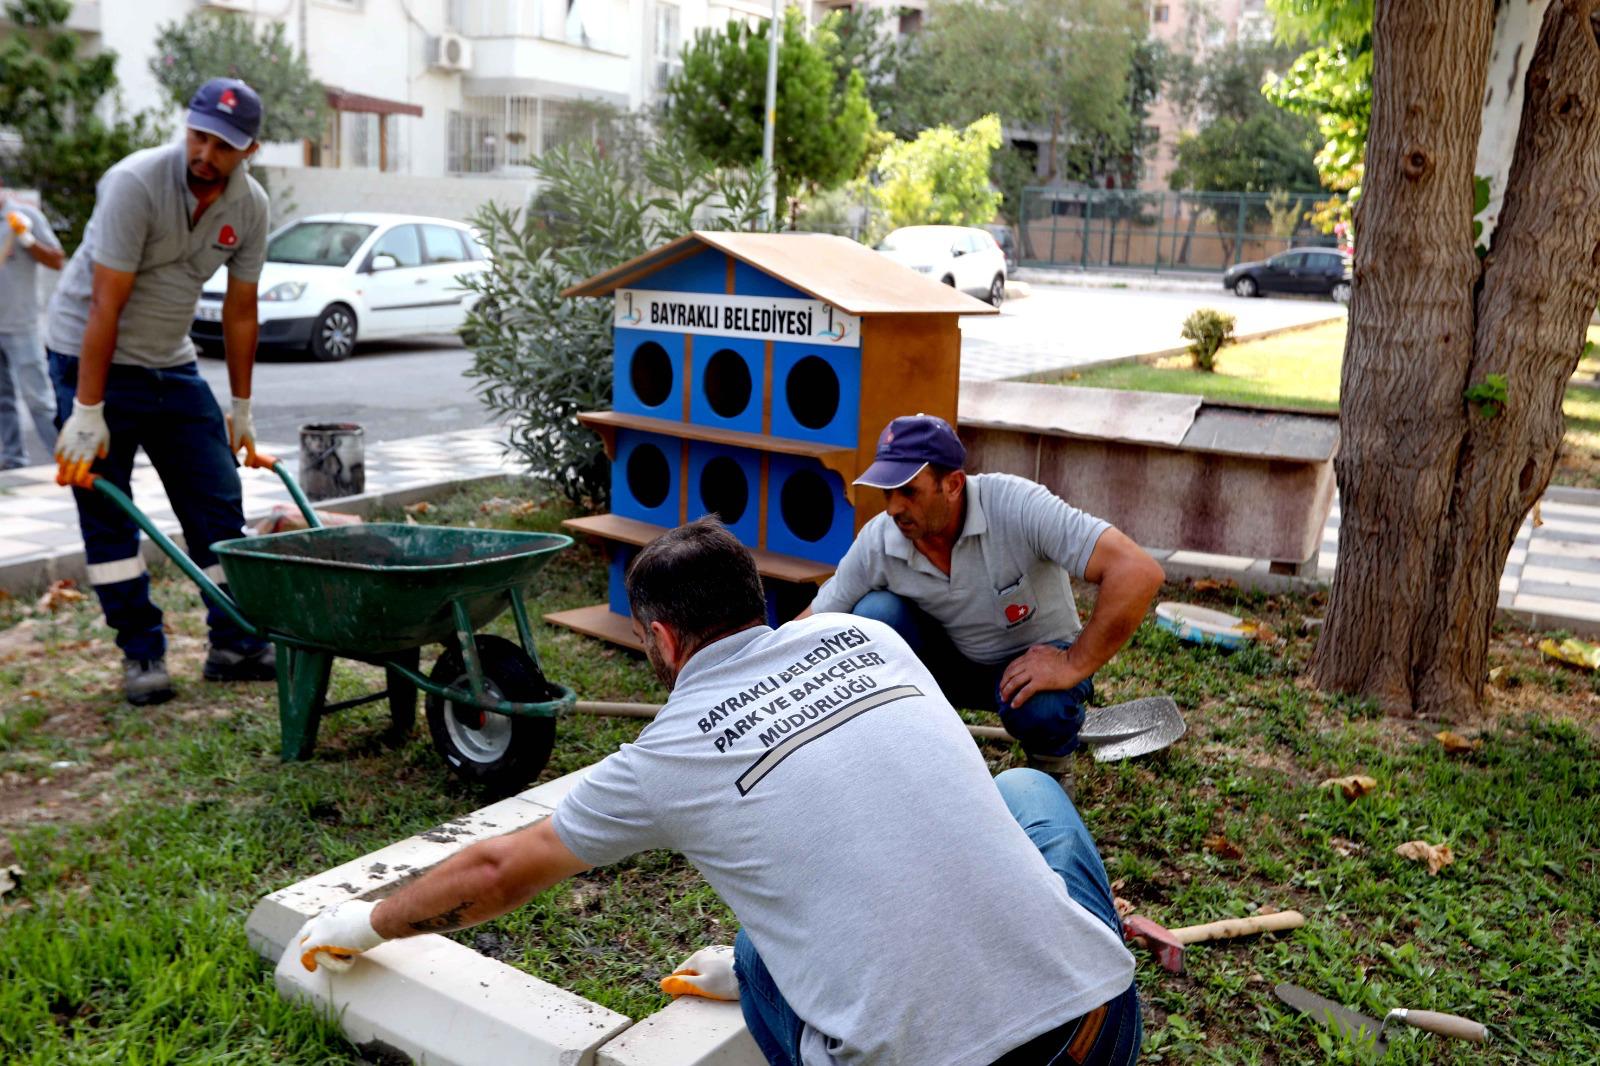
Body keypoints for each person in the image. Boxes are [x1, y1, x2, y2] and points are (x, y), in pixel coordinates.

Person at [294, 518, 1142, 1065]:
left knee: (751, 946)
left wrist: (359, 922)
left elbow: (495, 871)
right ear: (759, 600)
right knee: (1028, 785)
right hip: (1099, 1028)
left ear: (659, 639)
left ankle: (761, 974)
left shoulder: (667, 754)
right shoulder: (865, 637)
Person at [47, 78, 276, 706]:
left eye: (223, 145)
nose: (205, 153)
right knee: (110, 508)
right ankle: (141, 651)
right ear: (188, 127)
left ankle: (235, 643)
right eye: (198, 135)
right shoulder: (136, 182)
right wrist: (88, 409)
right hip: (90, 354)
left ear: (249, 149)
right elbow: (105, 302)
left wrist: (241, 406)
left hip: (170, 362)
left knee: (216, 499)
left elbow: (240, 313)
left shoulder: (249, 207)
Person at [801, 414, 1165, 774]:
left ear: (954, 485)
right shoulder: (880, 539)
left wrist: (1072, 664)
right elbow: (815, 621)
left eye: (909, 492)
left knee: (1042, 710)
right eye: (887, 493)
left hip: (1034, 665)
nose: (894, 508)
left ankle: (1052, 770)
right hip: (955, 663)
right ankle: (907, 758)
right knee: (874, 615)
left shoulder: (1017, 506)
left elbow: (1137, 571)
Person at [0, 180, 65, 469]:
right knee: (2, 400)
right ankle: (13, 458)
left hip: (21, 325)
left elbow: (56, 260)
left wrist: (27, 239)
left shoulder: (26, 217)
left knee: (39, 399)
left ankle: (64, 460)